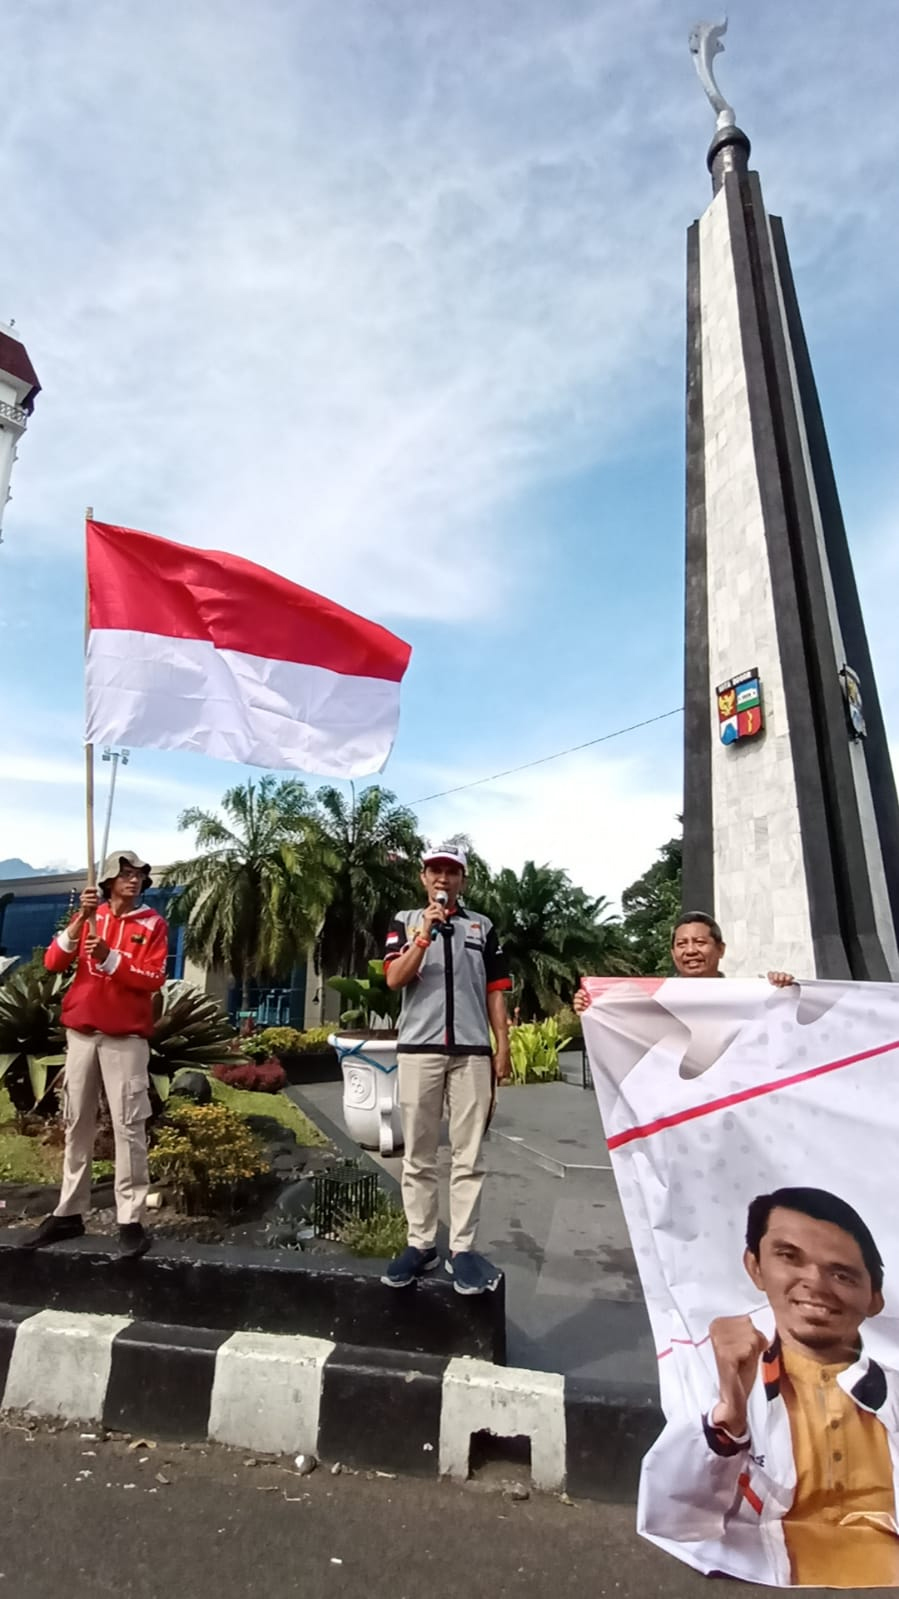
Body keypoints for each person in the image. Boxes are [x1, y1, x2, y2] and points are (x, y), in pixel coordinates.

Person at [639, 1187, 899, 1588]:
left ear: (875, 1298)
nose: (815, 1283)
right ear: (754, 1266)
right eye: (789, 1257)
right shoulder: (714, 1363)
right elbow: (675, 1518)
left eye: (842, 1274)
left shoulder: (891, 1390)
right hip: (760, 1574)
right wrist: (728, 1418)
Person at [381, 844, 512, 1296]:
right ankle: (420, 1243)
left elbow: (497, 989)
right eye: (435, 870)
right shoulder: (403, 921)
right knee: (418, 1154)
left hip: (473, 1052)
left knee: (468, 1154)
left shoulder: (483, 927)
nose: (443, 878)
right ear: (423, 878)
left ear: (462, 879)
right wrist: (423, 935)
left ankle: (463, 1249)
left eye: (452, 872)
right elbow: (395, 978)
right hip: (419, 1051)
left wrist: (503, 1046)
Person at [25, 850, 169, 1260]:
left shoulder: (152, 924)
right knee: (75, 1123)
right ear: (107, 881)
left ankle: (130, 1217)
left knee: (128, 1126)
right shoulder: (90, 916)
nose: (135, 880)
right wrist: (79, 921)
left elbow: (153, 977)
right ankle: (69, 1210)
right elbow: (54, 962)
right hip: (82, 1035)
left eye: (139, 875)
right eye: (125, 874)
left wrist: (108, 956)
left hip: (125, 1038)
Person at [573, 911, 795, 1011]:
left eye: (699, 942)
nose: (690, 951)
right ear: (672, 953)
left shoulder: (749, 997)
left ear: (721, 949)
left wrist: (784, 990)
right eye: (681, 944)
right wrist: (592, 1005)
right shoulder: (655, 1001)